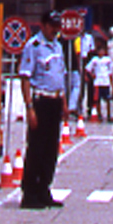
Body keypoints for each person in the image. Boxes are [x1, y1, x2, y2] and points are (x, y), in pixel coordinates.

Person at [18, 11, 68, 209]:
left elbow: (60, 75)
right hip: (41, 102)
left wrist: (63, 103)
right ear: (44, 25)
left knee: (51, 149)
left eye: (58, 26)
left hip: (55, 101)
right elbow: (25, 79)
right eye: (52, 26)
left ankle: (44, 188)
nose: (56, 30)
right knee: (37, 148)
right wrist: (29, 108)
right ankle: (30, 192)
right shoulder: (33, 47)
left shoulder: (57, 46)